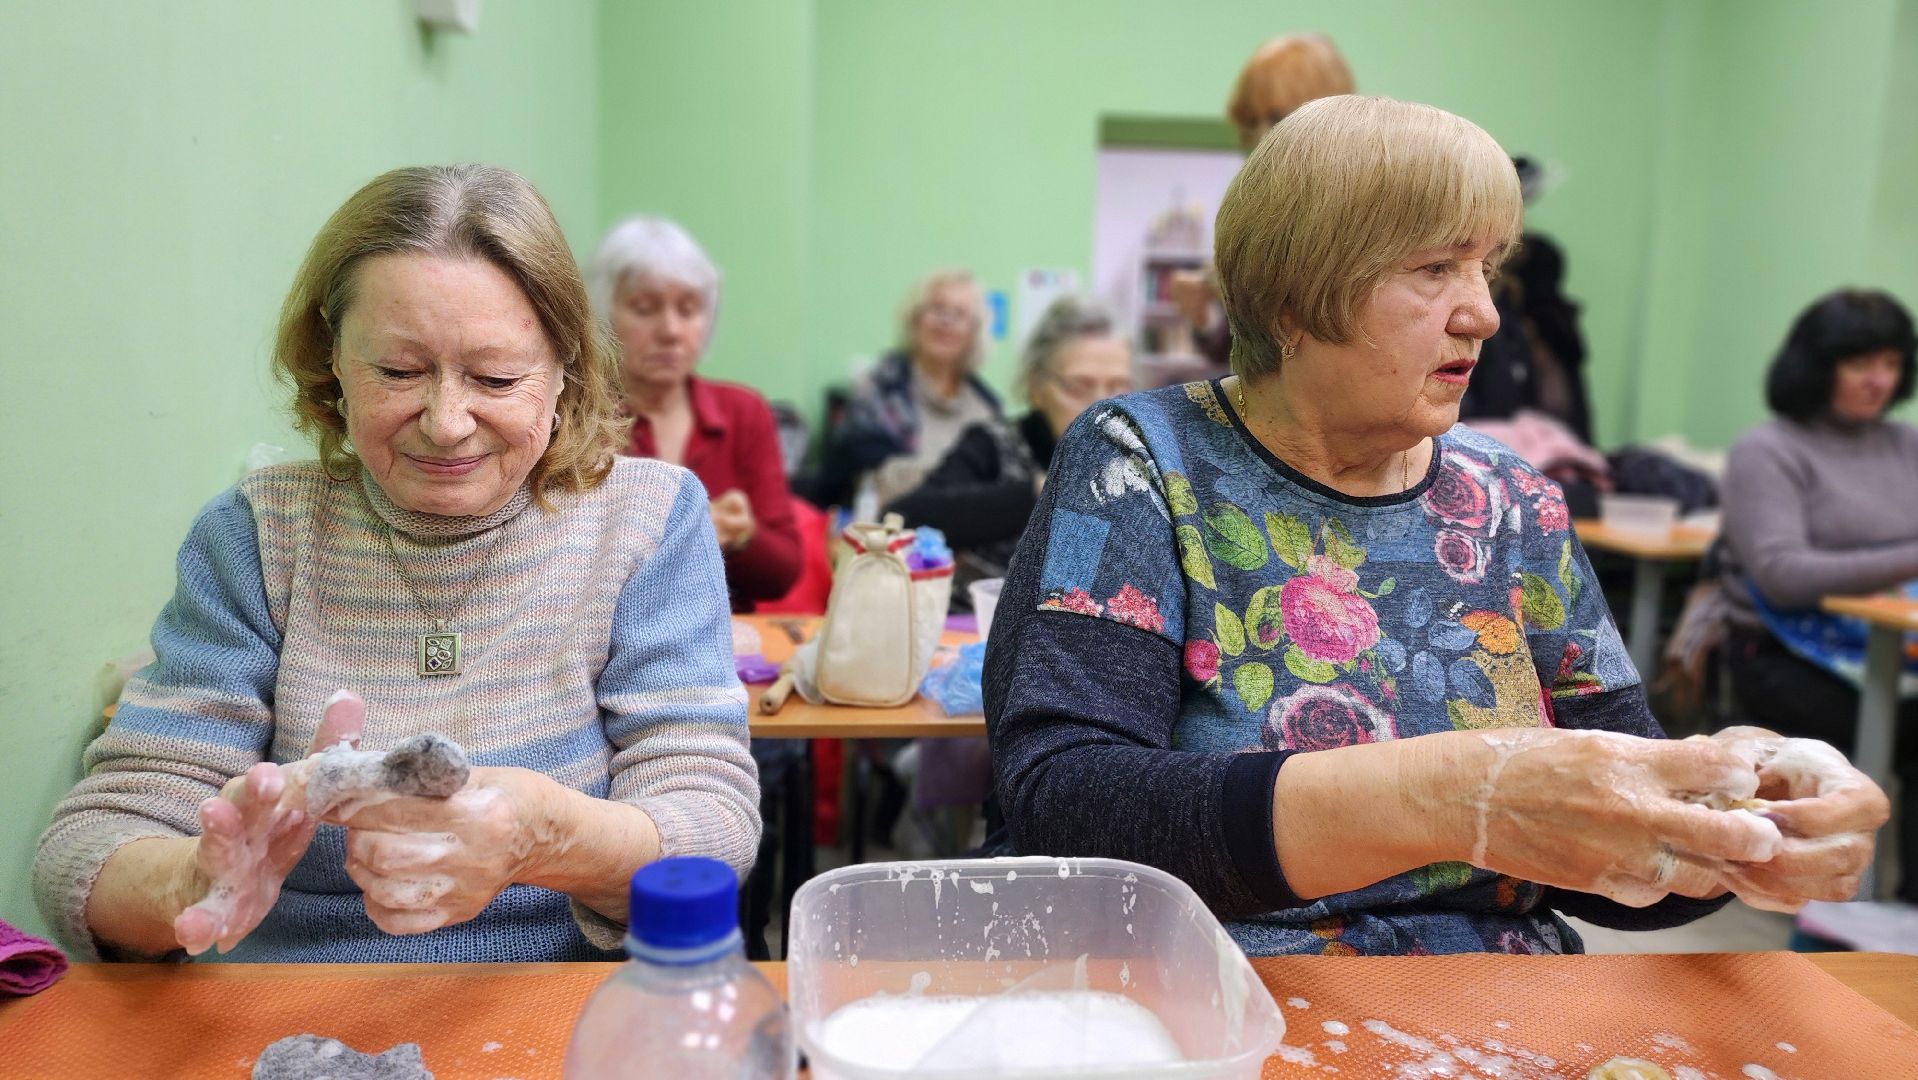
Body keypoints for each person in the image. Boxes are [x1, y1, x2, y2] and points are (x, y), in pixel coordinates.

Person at [983, 97, 1886, 957]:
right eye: (1434, 269)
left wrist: (1748, 820)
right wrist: (1460, 796)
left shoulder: (1512, 502)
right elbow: (1064, 801)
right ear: (1292, 299)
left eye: (1487, 269)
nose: (1485, 314)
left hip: (1494, 1003)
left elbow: (1620, 853)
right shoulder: (1140, 458)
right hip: (1222, 988)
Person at [33, 166, 761, 964]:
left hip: (563, 1007)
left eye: (496, 378)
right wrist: (188, 880)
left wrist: (545, 839)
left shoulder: (645, 520)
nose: (447, 424)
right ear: (333, 364)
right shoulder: (262, 536)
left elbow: (712, 826)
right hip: (291, 1017)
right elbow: (87, 845)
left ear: (565, 371)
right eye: (399, 371)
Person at [1718, 288, 1918, 903]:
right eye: (1860, 364)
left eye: (1890, 363)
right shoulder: (1768, 450)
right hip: (1783, 653)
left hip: (1893, 643)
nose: (1879, 380)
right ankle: (1873, 913)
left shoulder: (1906, 444)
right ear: (1817, 366)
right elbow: (1783, 573)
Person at [588, 216, 803, 612]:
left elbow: (784, 572)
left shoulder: (744, 411)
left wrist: (742, 536)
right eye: (644, 308)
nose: (671, 330)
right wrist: (690, 533)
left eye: (689, 310)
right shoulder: (579, 414)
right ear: (604, 314)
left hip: (727, 650)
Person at [887, 293, 1134, 595]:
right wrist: (1039, 491)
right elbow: (903, 519)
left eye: (1118, 387)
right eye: (1078, 387)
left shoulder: (1137, 463)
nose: (1101, 406)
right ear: (1036, 388)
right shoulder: (994, 444)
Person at [1165, 33, 1357, 384]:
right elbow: (1253, 354)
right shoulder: (1259, 211)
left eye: (1278, 117)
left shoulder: (1370, 203)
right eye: (1251, 123)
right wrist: (1209, 311)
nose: (1261, 136)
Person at [816, 270, 1006, 509]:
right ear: (915, 320)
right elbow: (856, 471)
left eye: (959, 314)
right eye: (937, 309)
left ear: (974, 332)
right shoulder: (878, 388)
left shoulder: (987, 407)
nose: (945, 321)